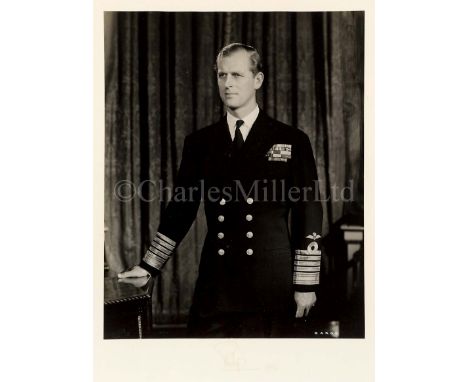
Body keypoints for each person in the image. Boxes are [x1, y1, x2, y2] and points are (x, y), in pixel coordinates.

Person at [118, 43, 323, 337]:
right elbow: (181, 209)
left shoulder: (291, 139)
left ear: (258, 80)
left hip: (270, 285)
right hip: (217, 284)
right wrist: (150, 266)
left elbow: (309, 211)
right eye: (221, 75)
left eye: (237, 75)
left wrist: (305, 284)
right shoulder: (200, 143)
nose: (227, 83)